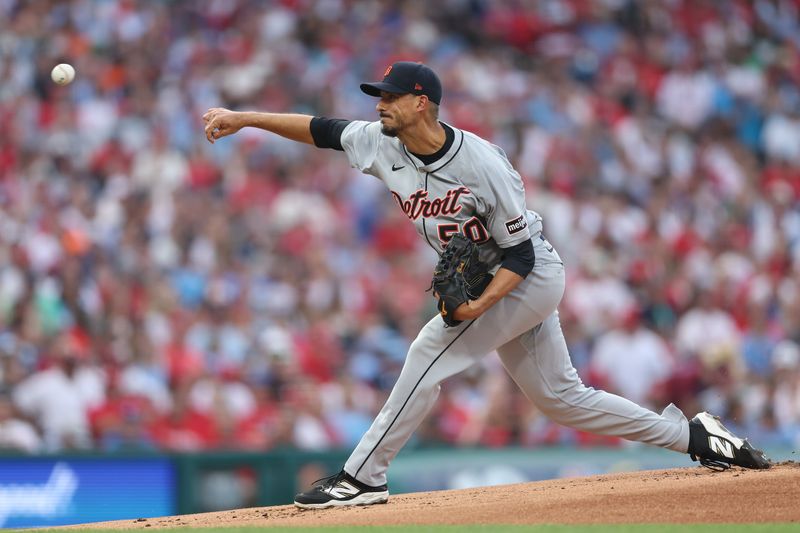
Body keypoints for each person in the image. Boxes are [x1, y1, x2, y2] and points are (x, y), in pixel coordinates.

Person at [202, 61, 770, 510]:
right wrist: (246, 118)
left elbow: (520, 255)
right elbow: (320, 130)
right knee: (562, 400)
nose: (378, 104)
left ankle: (361, 476)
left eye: (389, 95)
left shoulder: (482, 163)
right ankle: (694, 437)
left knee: (430, 348)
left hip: (529, 276)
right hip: (499, 278)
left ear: (421, 101)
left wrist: (474, 305)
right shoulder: (379, 141)